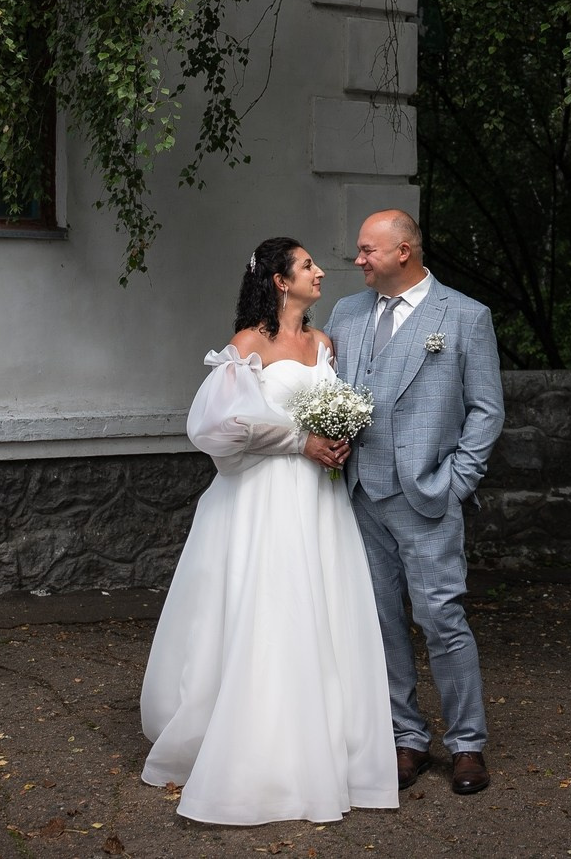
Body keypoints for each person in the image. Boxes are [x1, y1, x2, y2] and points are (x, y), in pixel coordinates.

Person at [138, 237, 398, 825]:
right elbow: (216, 428)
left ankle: (333, 745)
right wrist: (297, 441)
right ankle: (265, 753)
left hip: (322, 503)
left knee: (326, 611)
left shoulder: (326, 342)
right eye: (307, 265)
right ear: (281, 281)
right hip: (269, 499)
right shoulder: (248, 345)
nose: (319, 272)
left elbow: (337, 406)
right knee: (273, 610)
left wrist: (337, 438)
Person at [329, 210, 506, 796]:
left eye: (367, 250)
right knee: (381, 621)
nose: (358, 260)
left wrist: (459, 479)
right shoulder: (347, 315)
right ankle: (405, 737)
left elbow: (486, 409)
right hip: (359, 493)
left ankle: (466, 744)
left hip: (428, 494)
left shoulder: (464, 316)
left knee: (442, 620)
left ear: (403, 251)